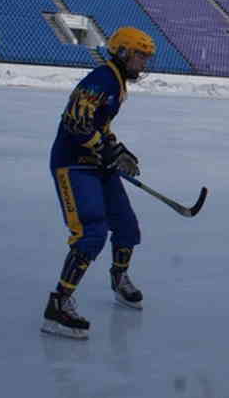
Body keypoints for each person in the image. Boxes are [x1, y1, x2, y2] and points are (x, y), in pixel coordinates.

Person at [42, 27, 156, 339]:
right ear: (123, 52)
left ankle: (119, 280)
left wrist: (118, 148)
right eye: (140, 55)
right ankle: (58, 305)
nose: (144, 62)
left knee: (127, 227)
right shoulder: (102, 78)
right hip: (72, 165)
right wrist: (106, 150)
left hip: (96, 164)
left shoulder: (116, 82)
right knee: (91, 233)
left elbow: (97, 124)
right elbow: (74, 122)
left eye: (147, 56)